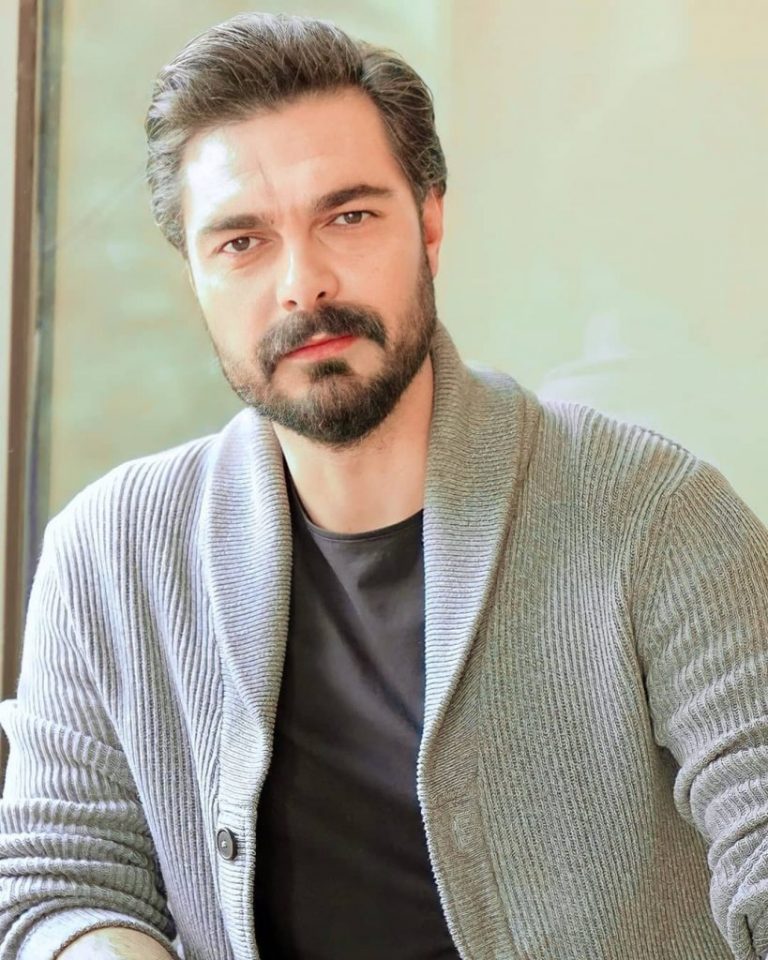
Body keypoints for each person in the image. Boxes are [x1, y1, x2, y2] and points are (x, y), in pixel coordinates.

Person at [1, 11, 768, 960]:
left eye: (349, 217)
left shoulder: (654, 513)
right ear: (194, 274)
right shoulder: (107, 551)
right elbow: (60, 884)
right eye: (242, 242)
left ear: (430, 225)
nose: (303, 284)